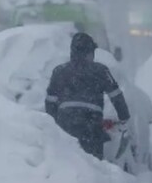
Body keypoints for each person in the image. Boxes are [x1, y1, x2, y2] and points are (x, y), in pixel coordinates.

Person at [45, 32, 131, 160]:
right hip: (91, 124)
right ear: (89, 52)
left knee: (66, 161)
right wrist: (124, 117)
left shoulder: (59, 71)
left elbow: (50, 102)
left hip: (66, 123)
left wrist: (54, 122)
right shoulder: (100, 70)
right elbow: (116, 96)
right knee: (94, 165)